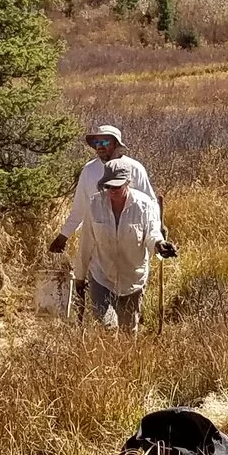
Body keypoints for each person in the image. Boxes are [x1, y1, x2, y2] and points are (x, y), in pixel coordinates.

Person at [77, 159, 172, 331]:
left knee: (128, 331)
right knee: (108, 327)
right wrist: (80, 277)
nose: (112, 191)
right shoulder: (94, 204)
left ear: (128, 182)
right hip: (102, 276)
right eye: (108, 186)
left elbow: (152, 233)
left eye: (117, 186)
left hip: (133, 279)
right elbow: (86, 242)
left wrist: (160, 245)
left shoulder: (145, 205)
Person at [50, 124, 156, 260]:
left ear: (116, 144)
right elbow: (79, 209)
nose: (100, 146)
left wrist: (157, 231)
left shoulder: (135, 169)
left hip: (131, 244)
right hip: (98, 246)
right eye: (97, 142)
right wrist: (63, 235)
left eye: (105, 142)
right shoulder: (89, 170)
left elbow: (150, 205)